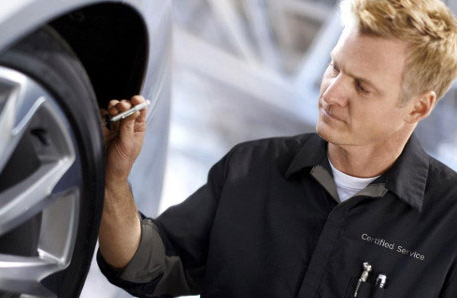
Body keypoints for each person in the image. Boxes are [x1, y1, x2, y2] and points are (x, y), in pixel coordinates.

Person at [97, 0, 457, 297]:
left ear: (418, 107)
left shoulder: (449, 224)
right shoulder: (250, 168)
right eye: (335, 67)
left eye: (362, 87)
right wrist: (115, 178)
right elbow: (145, 265)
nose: (331, 94)